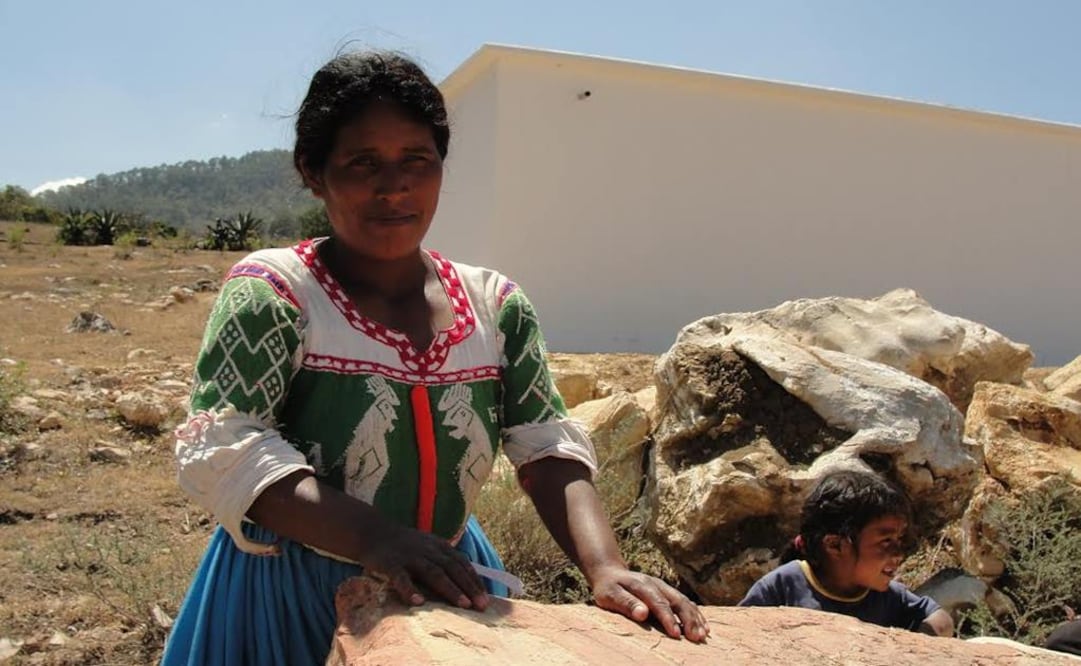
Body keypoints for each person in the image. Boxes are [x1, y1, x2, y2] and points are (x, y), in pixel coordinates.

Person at [161, 50, 708, 665]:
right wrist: (378, 540)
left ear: (442, 168)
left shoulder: (494, 306)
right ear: (314, 173)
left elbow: (546, 448)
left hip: (447, 577)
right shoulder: (276, 294)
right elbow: (228, 447)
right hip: (292, 592)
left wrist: (605, 566)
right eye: (362, 162)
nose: (392, 185)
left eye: (415, 160)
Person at [738, 470, 954, 637]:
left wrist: (913, 647)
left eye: (899, 540)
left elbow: (940, 619)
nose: (898, 554)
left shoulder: (886, 595)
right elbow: (740, 634)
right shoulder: (783, 586)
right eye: (886, 541)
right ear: (835, 546)